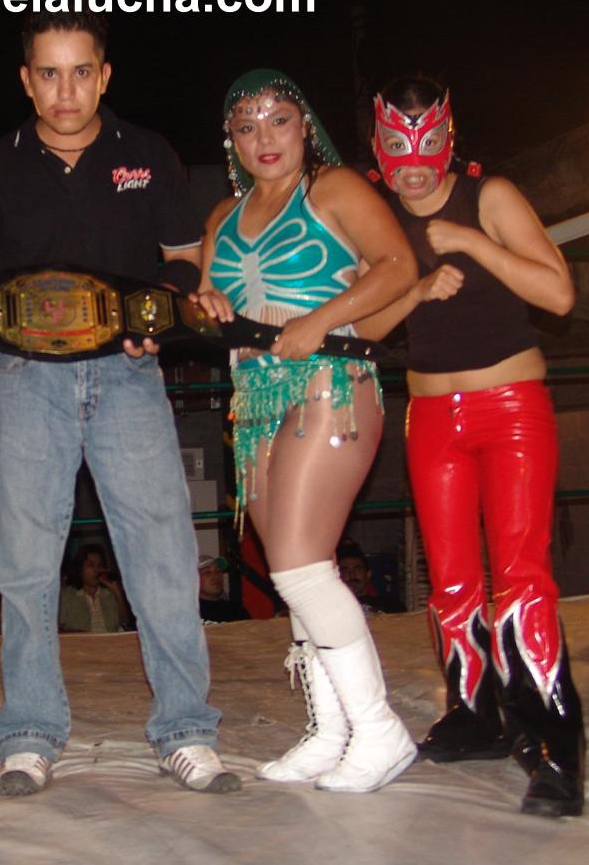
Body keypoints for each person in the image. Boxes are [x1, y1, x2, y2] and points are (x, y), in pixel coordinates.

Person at [0, 11, 237, 798]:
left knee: (163, 554)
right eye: (48, 72)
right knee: (25, 562)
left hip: (128, 374)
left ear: (105, 76)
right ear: (26, 80)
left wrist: (154, 313)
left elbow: (184, 258)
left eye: (81, 71)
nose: (65, 89)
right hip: (26, 377)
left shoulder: (146, 153)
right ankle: (30, 732)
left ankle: (186, 729)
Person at [357, 77, 582, 817]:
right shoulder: (379, 215)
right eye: (398, 148)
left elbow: (559, 294)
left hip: (510, 407)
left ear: (448, 137)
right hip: (430, 415)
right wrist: (416, 292)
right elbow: (366, 328)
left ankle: (553, 750)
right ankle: (477, 715)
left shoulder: (491, 196)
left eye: (426, 144)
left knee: (521, 577)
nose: (414, 165)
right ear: (378, 148)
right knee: (451, 580)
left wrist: (472, 243)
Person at [197, 68, 418, 793]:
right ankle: (330, 730)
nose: (264, 137)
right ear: (230, 141)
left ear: (305, 126)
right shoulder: (220, 216)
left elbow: (398, 266)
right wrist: (202, 305)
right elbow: (209, 303)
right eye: (246, 126)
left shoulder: (335, 188)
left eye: (278, 119)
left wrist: (320, 320)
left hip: (332, 381)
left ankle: (379, 729)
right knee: (300, 569)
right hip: (254, 397)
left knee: (296, 566)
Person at [58, 545, 129, 633]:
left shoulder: (109, 594)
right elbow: (56, 629)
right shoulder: (67, 596)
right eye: (91, 565)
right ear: (80, 569)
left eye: (99, 565)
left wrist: (117, 592)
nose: (96, 570)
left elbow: (125, 623)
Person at [335, 540, 405, 615]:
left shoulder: (392, 606)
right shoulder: (332, 608)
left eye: (357, 569)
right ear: (337, 576)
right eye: (345, 570)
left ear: (368, 574)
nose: (352, 575)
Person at [197, 556, 250, 624]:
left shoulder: (237, 611)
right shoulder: (189, 611)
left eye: (218, 571)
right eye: (207, 572)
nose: (216, 575)